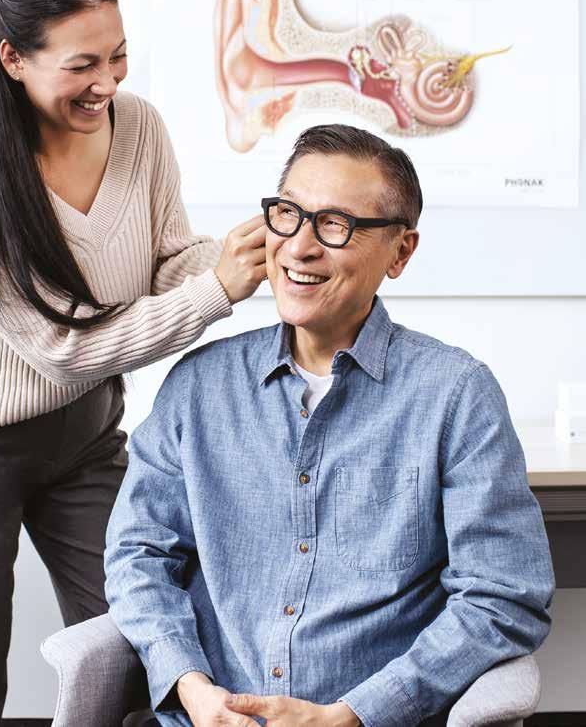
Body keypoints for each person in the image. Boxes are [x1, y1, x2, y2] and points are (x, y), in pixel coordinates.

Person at [0, 0, 266, 726]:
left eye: (118, 56)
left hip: (86, 434)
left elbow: (167, 259)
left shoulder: (141, 128)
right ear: (14, 59)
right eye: (82, 65)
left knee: (141, 639)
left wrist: (236, 256)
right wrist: (216, 290)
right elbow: (62, 349)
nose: (108, 82)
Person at [105, 124, 555, 727]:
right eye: (288, 214)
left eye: (335, 224)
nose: (299, 247)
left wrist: (354, 714)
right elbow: (138, 554)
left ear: (400, 252)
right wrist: (190, 687)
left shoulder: (455, 395)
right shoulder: (198, 386)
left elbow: (503, 596)